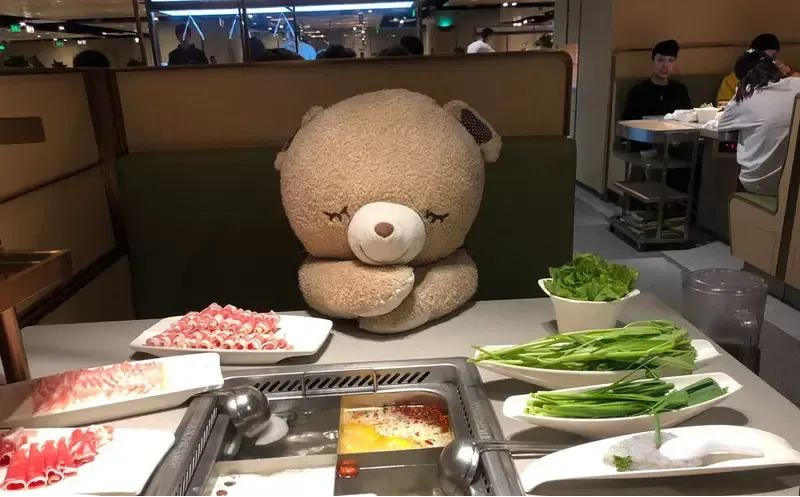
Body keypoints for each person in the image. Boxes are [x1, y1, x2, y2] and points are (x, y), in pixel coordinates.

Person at [718, 49, 800, 195]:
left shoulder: (744, 96)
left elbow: (722, 127)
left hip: (762, 183)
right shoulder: (797, 84)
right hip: (796, 183)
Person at [621, 39, 691, 120]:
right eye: (660, 60)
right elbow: (628, 122)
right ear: (653, 62)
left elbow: (688, 119)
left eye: (670, 60)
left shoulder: (680, 90)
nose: (665, 65)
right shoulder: (638, 92)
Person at [717, 34, 783, 104]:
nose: (768, 63)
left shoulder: (778, 77)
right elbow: (722, 104)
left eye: (772, 58)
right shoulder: (731, 80)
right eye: (764, 59)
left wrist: (787, 72)